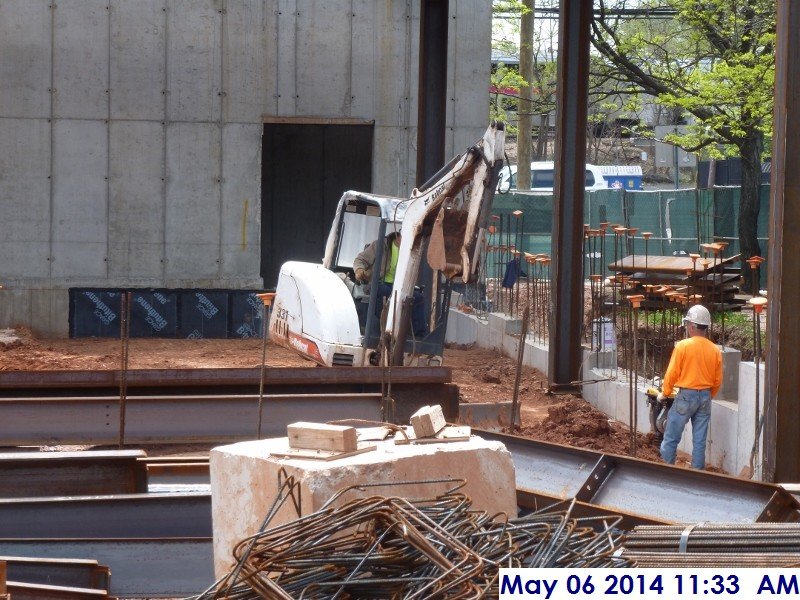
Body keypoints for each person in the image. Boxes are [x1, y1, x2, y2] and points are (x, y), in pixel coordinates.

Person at [658, 304, 722, 470]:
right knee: (699, 441)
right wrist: (709, 395)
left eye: (687, 325)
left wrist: (665, 393)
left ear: (693, 326)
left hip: (686, 396)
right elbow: (717, 380)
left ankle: (666, 471)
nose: (686, 328)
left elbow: (672, 373)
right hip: (705, 397)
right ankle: (697, 475)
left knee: (671, 436)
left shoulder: (683, 346)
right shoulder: (714, 350)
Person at [353, 232, 426, 337]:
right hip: (377, 283)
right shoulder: (380, 245)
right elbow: (360, 260)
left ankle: (417, 335)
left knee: (418, 298)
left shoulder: (409, 252)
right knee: (386, 292)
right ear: (398, 236)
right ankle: (382, 330)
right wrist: (359, 270)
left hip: (398, 286)